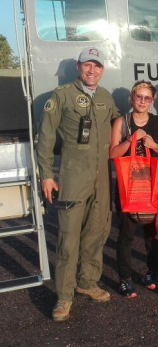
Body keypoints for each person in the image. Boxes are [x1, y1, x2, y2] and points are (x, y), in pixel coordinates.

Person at [37, 47, 120, 321]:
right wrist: (47, 174)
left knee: (97, 231)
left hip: (101, 178)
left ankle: (87, 281)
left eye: (97, 66)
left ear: (102, 70)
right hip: (73, 177)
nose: (92, 71)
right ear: (78, 66)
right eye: (87, 65)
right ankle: (64, 295)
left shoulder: (106, 97)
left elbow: (119, 127)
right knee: (68, 237)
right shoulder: (62, 96)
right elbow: (47, 137)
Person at [109, 80, 158, 298]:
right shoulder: (121, 122)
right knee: (126, 234)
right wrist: (130, 140)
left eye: (147, 98)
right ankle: (125, 278)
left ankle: (151, 272)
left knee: (151, 233)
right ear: (132, 98)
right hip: (128, 186)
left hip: (152, 186)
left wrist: (153, 146)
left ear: (152, 100)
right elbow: (113, 153)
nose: (143, 101)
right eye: (139, 97)